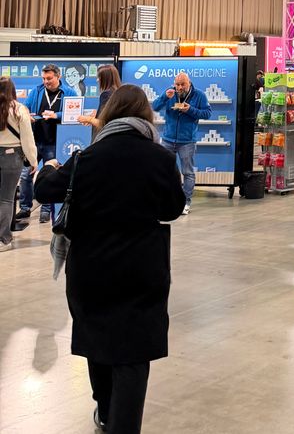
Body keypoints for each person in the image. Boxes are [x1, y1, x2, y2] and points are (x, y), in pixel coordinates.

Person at [34, 85, 185, 434]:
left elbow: (44, 191)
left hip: (91, 268)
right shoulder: (161, 158)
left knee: (98, 339)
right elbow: (173, 209)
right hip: (143, 268)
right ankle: (124, 425)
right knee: (133, 352)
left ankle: (104, 410)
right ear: (145, 115)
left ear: (110, 114)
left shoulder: (86, 158)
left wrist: (48, 168)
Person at [17, 63, 74, 223]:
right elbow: (24, 108)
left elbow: (74, 113)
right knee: (26, 175)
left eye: (49, 78)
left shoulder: (69, 92)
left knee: (49, 176)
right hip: (35, 141)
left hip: (54, 141)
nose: (46, 82)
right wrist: (28, 115)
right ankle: (25, 208)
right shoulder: (37, 91)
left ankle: (46, 210)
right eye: (43, 78)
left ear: (58, 77)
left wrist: (56, 115)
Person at [152, 71, 211, 214]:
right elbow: (155, 106)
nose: (179, 87)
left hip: (187, 141)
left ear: (189, 83)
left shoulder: (199, 95)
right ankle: (165, 200)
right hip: (168, 138)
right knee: (164, 170)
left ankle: (186, 202)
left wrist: (190, 110)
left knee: (188, 173)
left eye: (182, 84)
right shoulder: (170, 92)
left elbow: (207, 113)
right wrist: (165, 97)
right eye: (177, 84)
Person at [0, 78, 37, 251]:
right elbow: (27, 139)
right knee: (6, 198)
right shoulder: (19, 109)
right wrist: (33, 160)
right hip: (12, 156)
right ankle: (3, 240)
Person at [79, 65, 122, 131]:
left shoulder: (106, 94)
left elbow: (104, 123)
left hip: (104, 135)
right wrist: (97, 114)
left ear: (106, 78)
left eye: (99, 77)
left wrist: (88, 119)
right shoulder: (119, 93)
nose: (97, 80)